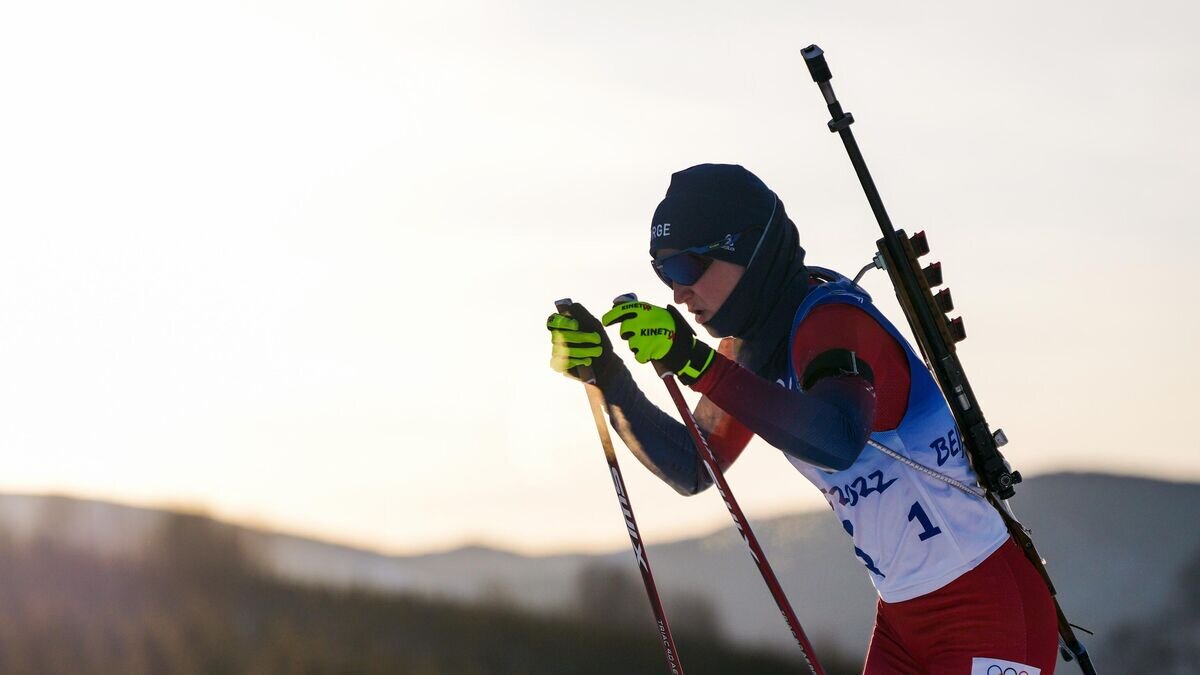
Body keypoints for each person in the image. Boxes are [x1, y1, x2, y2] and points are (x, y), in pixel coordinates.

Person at [547, 164, 1059, 674]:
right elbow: (694, 465)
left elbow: (838, 438)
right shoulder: (752, 352)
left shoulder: (832, 320)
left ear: (746, 250)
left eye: (685, 267)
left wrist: (695, 362)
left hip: (987, 609)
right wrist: (609, 376)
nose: (678, 294)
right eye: (664, 273)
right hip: (903, 616)